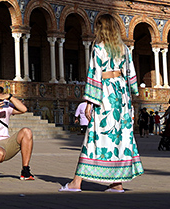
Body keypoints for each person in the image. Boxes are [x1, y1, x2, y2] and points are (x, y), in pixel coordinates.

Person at [61, 14, 144, 193]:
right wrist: (132, 100)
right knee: (119, 138)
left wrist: (90, 102)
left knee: (94, 136)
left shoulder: (98, 48)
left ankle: (76, 183)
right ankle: (117, 184)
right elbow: (131, 75)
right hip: (121, 96)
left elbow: (94, 74)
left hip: (105, 95)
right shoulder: (124, 48)